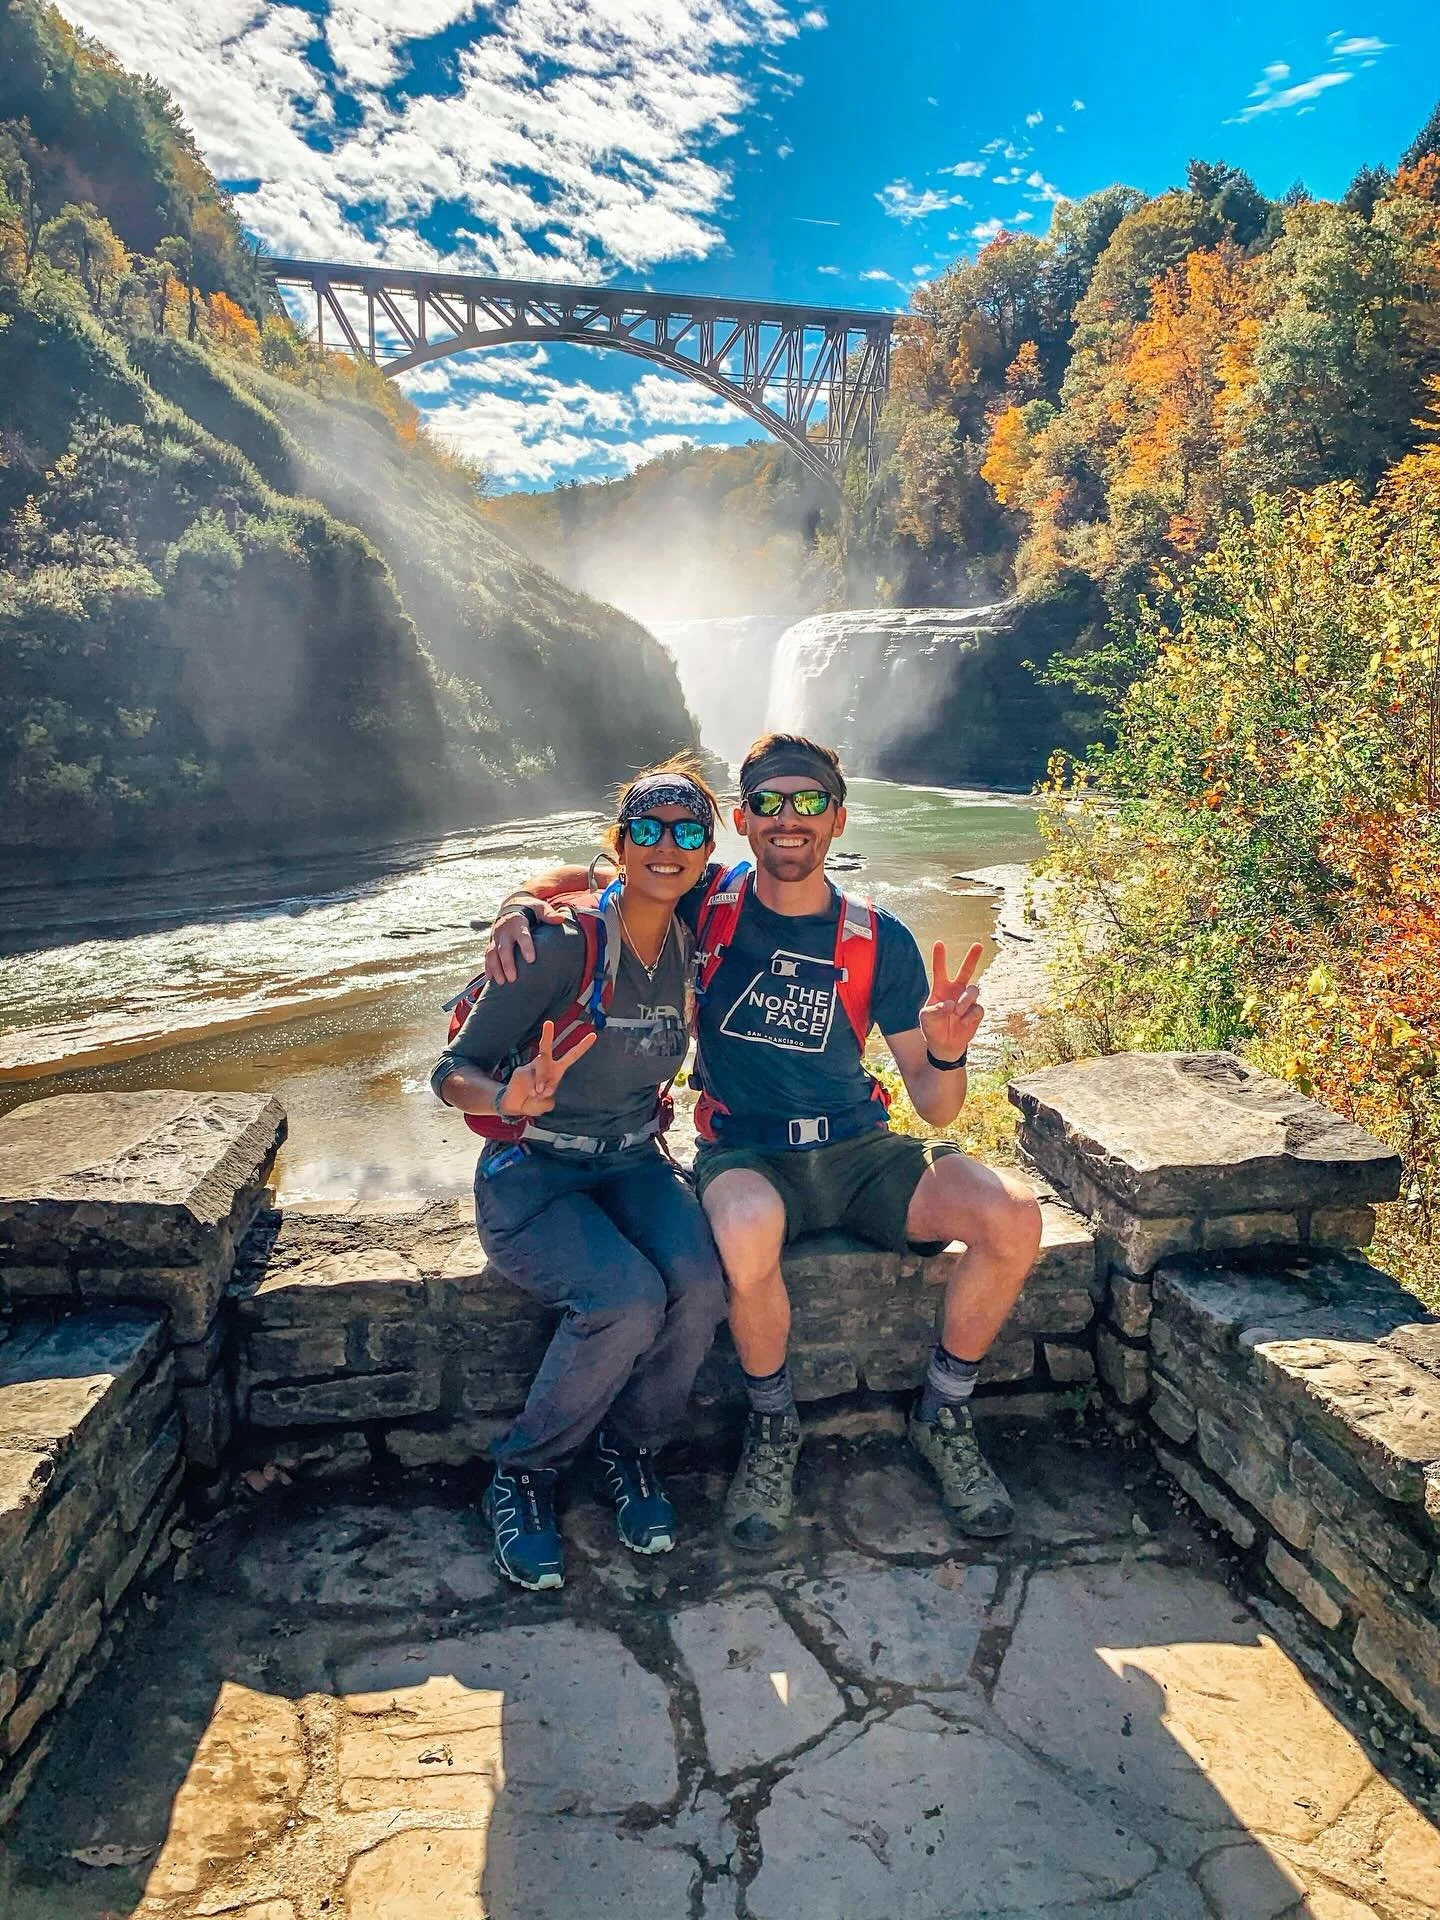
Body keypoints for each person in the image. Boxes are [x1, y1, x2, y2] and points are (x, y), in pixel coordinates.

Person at [485, 733, 1043, 1551]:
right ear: (743, 821)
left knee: (1015, 1217)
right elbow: (582, 883)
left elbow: (937, 1108)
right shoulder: (704, 899)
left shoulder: (876, 936)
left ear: (838, 819)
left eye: (808, 802)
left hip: (861, 1152)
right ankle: (774, 1428)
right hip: (745, 1152)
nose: (790, 819)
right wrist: (515, 906)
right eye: (770, 804)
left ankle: (944, 1412)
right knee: (743, 1231)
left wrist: (949, 1047)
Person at [431, 760, 727, 1590]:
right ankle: (522, 1475)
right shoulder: (559, 947)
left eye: (687, 832)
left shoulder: (694, 930)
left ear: (707, 848)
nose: (667, 847)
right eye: (648, 830)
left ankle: (628, 1451)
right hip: (532, 1175)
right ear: (620, 842)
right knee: (625, 1298)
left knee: (703, 1286)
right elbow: (451, 1072)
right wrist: (508, 1094)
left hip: (634, 1160)